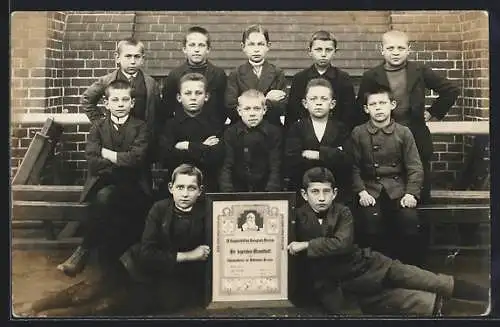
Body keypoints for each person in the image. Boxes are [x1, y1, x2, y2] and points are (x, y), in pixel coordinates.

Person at [288, 167, 489, 316]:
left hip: (371, 265)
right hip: (348, 284)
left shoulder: (343, 211)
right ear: (305, 195)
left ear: (335, 194)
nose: (321, 198)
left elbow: (343, 243)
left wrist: (307, 245)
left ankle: (488, 295)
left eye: (326, 192)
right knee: (415, 301)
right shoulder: (296, 218)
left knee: (430, 280)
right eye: (315, 192)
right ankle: (473, 312)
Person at [28, 164, 210, 317]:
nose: (185, 194)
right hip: (138, 265)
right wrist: (189, 255)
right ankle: (36, 306)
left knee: (110, 305)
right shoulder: (159, 209)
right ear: (171, 187)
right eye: (180, 187)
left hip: (169, 281)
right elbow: (147, 253)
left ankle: (54, 317)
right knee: (92, 290)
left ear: (200, 191)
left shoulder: (207, 215)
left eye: (191, 188)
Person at [57, 80, 152, 278]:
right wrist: (121, 161)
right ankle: (121, 260)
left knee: (107, 199)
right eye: (115, 99)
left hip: (134, 186)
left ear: (132, 103)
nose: (120, 103)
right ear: (106, 104)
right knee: (107, 199)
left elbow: (137, 159)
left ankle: (84, 251)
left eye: (125, 99)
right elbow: (93, 161)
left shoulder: (141, 127)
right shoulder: (98, 127)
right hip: (104, 181)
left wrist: (108, 154)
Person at [355, 30, 460, 204]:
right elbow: (361, 109)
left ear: (409, 49)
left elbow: (450, 90)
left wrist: (433, 112)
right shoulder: (371, 76)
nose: (395, 52)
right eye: (390, 48)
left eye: (400, 48)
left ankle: (422, 229)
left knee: (419, 192)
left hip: (416, 137)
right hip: (383, 142)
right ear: (382, 50)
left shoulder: (420, 71)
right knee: (388, 195)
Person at [351, 86, 424, 266]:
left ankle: (409, 271)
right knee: (370, 223)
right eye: (373, 104)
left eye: (382, 103)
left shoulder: (403, 132)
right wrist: (361, 192)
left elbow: (415, 167)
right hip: (371, 191)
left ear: (392, 105)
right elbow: (353, 167)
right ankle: (376, 271)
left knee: (409, 222)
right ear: (366, 109)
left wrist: (411, 193)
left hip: (397, 190)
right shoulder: (358, 133)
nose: (378, 108)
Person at [81, 37, 163, 162]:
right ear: (117, 58)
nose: (132, 61)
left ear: (143, 59)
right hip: (114, 139)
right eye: (128, 56)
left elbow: (156, 113)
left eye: (137, 57)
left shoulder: (151, 84)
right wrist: (100, 122)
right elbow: (87, 99)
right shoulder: (107, 81)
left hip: (140, 140)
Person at [284, 78, 352, 204]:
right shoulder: (297, 128)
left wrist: (317, 154)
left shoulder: (341, 128)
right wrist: (333, 153)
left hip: (336, 190)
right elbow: (293, 160)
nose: (318, 103)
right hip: (304, 190)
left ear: (332, 104)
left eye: (324, 99)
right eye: (313, 99)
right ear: (305, 103)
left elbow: (346, 159)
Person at [159, 73, 224, 193]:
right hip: (176, 184)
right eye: (188, 93)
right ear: (179, 97)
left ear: (206, 96)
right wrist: (203, 147)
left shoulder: (215, 124)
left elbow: (215, 158)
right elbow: (167, 158)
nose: (193, 98)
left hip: (207, 184)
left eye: (198, 93)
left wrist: (186, 146)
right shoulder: (171, 125)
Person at [285, 30, 356, 131]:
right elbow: (293, 114)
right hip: (305, 134)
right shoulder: (300, 79)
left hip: (336, 134)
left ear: (335, 51)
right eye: (318, 49)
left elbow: (349, 115)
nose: (323, 54)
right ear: (310, 51)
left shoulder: (343, 79)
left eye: (328, 50)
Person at [162, 26, 228, 128]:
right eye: (192, 45)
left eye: (201, 45)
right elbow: (167, 108)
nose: (196, 50)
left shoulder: (218, 74)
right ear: (184, 49)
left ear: (208, 49)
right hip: (182, 129)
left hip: (211, 129)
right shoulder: (175, 75)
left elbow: (222, 107)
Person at [219, 89, 283, 192]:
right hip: (237, 189)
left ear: (264, 110)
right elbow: (226, 165)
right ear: (239, 111)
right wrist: (228, 193)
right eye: (247, 109)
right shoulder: (230, 133)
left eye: (257, 109)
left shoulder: (274, 133)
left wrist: (270, 193)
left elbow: (275, 165)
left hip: (265, 188)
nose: (252, 113)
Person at [225, 24, 287, 127]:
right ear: (243, 47)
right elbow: (231, 108)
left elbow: (282, 107)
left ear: (268, 46)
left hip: (271, 129)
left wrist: (246, 104)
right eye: (251, 44)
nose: (256, 49)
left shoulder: (277, 73)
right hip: (242, 129)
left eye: (261, 44)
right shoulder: (236, 74)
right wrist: (267, 100)